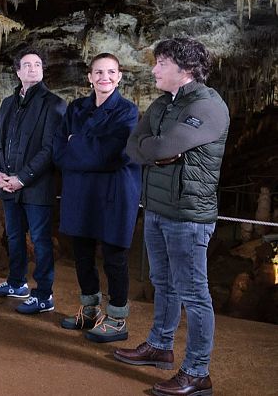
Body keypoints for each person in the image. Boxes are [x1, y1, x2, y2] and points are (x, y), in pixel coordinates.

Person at [117, 38, 229, 396]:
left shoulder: (209, 105)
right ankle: (160, 346)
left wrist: (160, 150)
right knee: (162, 283)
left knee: (194, 294)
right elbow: (135, 147)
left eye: (161, 63)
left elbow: (161, 146)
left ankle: (197, 372)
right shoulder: (165, 104)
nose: (154, 69)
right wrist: (159, 152)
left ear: (185, 69)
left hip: (188, 215)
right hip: (156, 209)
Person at [53, 53, 141, 342]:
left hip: (113, 193)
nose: (105, 77)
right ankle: (89, 310)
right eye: (99, 72)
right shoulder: (76, 108)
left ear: (119, 77)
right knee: (82, 254)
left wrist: (76, 143)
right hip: (81, 193)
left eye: (111, 72)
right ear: (89, 77)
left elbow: (115, 153)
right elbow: (59, 150)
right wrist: (86, 149)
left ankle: (116, 319)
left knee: (114, 256)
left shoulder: (127, 111)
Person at [0, 48, 65, 314]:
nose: (33, 68)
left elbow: (50, 149)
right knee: (15, 236)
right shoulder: (8, 103)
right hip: (8, 185)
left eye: (38, 64)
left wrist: (22, 178)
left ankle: (44, 295)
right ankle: (16, 283)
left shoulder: (53, 103)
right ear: (18, 71)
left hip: (37, 187)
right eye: (27, 65)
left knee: (41, 240)